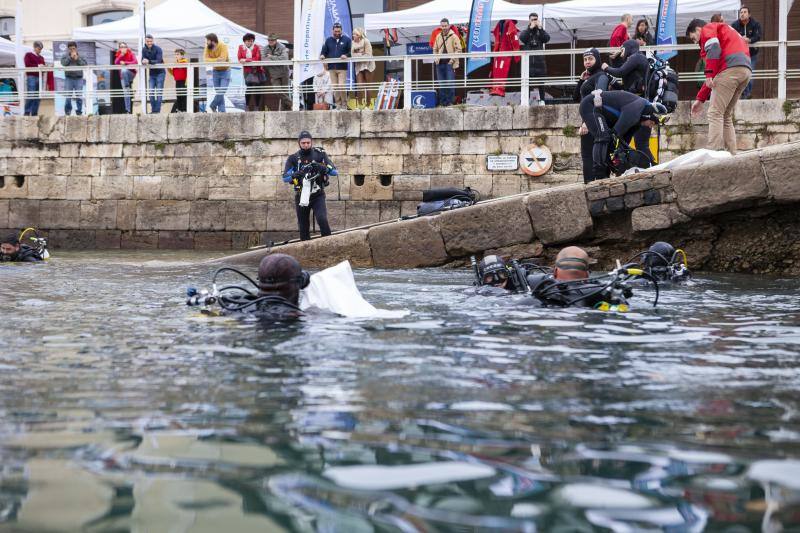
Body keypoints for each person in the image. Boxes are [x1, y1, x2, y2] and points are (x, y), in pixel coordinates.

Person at [687, 18, 752, 154]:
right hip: (745, 70)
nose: (696, 42)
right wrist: (700, 99)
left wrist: (709, 73)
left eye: (694, 38)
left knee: (715, 113)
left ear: (698, 29)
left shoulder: (707, 29)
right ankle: (732, 154)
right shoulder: (725, 30)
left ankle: (713, 152)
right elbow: (713, 77)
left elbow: (714, 49)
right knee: (726, 114)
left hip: (729, 69)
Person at [579, 90, 665, 180]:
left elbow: (622, 142)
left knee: (610, 143)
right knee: (603, 137)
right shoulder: (636, 110)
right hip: (590, 106)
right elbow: (615, 133)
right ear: (648, 116)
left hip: (602, 113)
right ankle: (600, 174)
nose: (651, 126)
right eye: (652, 123)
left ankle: (604, 175)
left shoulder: (637, 121)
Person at [601, 39, 654, 163]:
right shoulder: (635, 61)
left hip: (640, 106)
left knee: (641, 143)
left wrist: (605, 67)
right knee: (630, 142)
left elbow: (620, 72)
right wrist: (614, 62)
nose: (621, 52)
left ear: (628, 48)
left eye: (622, 49)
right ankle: (631, 167)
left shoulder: (636, 57)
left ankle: (652, 167)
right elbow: (625, 89)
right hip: (636, 106)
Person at [283, 131, 337, 241]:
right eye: (303, 143)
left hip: (318, 195)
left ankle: (328, 243)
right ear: (299, 143)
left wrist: (323, 168)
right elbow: (285, 178)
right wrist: (294, 175)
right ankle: (305, 247)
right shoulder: (293, 158)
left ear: (311, 142)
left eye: (308, 142)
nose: (306, 145)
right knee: (303, 226)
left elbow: (335, 172)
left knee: (322, 219)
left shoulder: (320, 154)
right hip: (301, 196)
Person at [573, 48, 611, 183]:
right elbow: (576, 97)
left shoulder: (601, 76)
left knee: (593, 155)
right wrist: (580, 80)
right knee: (588, 155)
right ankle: (590, 185)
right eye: (585, 59)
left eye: (590, 59)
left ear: (597, 60)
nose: (587, 62)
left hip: (594, 122)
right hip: (589, 120)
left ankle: (598, 184)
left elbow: (599, 98)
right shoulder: (588, 78)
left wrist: (587, 122)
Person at [519, 12, 550, 104]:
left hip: (539, 62)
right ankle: (525, 101)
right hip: (528, 63)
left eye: (535, 19)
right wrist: (530, 28)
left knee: (541, 83)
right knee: (526, 83)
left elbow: (547, 39)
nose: (534, 21)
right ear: (529, 20)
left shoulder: (540, 31)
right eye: (532, 20)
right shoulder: (526, 31)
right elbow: (522, 38)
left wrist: (540, 28)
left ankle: (542, 100)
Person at [731, 6, 762, 99]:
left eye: (744, 12)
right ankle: (743, 93)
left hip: (752, 54)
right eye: (741, 12)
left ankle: (747, 94)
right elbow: (732, 37)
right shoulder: (735, 25)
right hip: (740, 54)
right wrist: (740, 39)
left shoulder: (755, 24)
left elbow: (758, 36)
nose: (742, 14)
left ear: (749, 14)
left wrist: (749, 40)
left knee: (750, 74)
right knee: (741, 74)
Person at [320, 23, 352, 110]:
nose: (337, 33)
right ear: (332, 31)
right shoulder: (328, 40)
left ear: (341, 31)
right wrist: (322, 55)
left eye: (338, 31)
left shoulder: (347, 40)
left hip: (342, 68)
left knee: (341, 86)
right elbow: (324, 51)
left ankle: (344, 104)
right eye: (335, 31)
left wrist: (346, 55)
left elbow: (350, 52)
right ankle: (338, 105)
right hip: (331, 68)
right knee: (335, 87)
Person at [432, 18, 462, 107]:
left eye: (445, 26)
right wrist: (436, 59)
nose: (444, 27)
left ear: (449, 26)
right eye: (442, 26)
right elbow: (434, 49)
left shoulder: (454, 36)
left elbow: (459, 49)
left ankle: (450, 103)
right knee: (442, 85)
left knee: (450, 84)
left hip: (450, 64)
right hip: (440, 63)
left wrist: (451, 61)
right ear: (440, 26)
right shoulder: (438, 36)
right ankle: (443, 103)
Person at [204, 33, 230, 113]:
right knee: (219, 92)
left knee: (221, 91)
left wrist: (213, 60)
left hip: (225, 71)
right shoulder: (207, 48)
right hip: (215, 71)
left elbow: (223, 59)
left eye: (208, 41)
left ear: (212, 41)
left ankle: (213, 105)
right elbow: (205, 59)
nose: (206, 42)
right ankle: (222, 112)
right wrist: (216, 60)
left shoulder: (223, 46)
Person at [264, 34, 292, 111]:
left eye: (272, 40)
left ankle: (285, 111)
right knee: (277, 90)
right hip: (274, 73)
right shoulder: (265, 48)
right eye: (269, 40)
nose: (270, 41)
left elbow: (284, 58)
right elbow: (264, 60)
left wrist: (271, 57)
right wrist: (277, 59)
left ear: (276, 40)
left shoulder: (282, 47)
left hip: (284, 72)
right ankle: (292, 104)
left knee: (285, 92)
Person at [238, 33, 264, 111]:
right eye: (247, 41)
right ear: (244, 41)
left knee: (257, 88)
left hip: (257, 70)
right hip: (247, 71)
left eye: (251, 41)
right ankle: (247, 106)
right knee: (249, 87)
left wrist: (246, 60)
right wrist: (246, 60)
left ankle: (256, 106)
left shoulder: (256, 47)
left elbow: (257, 58)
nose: (249, 42)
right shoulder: (241, 47)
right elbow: (239, 58)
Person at [60, 41, 87, 116]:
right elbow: (63, 63)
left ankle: (79, 111)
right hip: (69, 78)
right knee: (68, 97)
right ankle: (67, 111)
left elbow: (85, 64)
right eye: (70, 49)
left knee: (79, 96)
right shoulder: (65, 55)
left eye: (73, 48)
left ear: (76, 48)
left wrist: (77, 58)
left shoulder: (80, 55)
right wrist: (70, 57)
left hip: (79, 78)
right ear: (68, 49)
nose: (72, 50)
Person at [351, 28, 375, 107]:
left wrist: (357, 53)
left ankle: (368, 105)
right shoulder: (352, 43)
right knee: (359, 85)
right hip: (358, 66)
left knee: (368, 86)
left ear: (359, 35)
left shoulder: (366, 41)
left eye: (355, 34)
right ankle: (360, 105)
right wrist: (361, 53)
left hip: (368, 65)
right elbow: (352, 55)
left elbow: (368, 55)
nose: (353, 36)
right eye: (353, 34)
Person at [141, 34, 165, 113]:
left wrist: (149, 61)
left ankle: (157, 111)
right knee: (150, 93)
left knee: (159, 92)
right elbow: (143, 59)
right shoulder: (144, 49)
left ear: (153, 41)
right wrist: (143, 61)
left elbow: (158, 60)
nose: (149, 43)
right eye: (148, 41)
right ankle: (154, 110)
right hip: (152, 74)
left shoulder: (158, 49)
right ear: (145, 41)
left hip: (160, 73)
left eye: (150, 41)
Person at [114, 42, 138, 114]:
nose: (123, 48)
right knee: (126, 93)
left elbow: (135, 62)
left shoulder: (131, 53)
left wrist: (125, 63)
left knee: (124, 70)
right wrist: (121, 55)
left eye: (124, 47)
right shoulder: (118, 55)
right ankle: (128, 110)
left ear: (127, 47)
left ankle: (127, 84)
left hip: (131, 74)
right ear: (119, 48)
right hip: (123, 78)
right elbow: (116, 62)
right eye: (121, 47)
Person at [23, 41, 46, 116]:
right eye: (39, 48)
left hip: (39, 77)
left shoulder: (41, 57)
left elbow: (43, 66)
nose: (40, 50)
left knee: (38, 96)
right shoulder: (28, 55)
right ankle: (27, 112)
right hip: (32, 76)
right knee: (31, 94)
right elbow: (27, 64)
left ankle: (34, 113)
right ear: (35, 47)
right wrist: (38, 66)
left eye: (40, 49)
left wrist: (43, 67)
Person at [169, 48, 189, 113]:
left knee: (183, 96)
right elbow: (173, 73)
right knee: (179, 95)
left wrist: (175, 65)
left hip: (184, 81)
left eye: (177, 54)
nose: (176, 56)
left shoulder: (185, 62)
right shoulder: (176, 63)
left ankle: (184, 109)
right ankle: (180, 109)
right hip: (177, 81)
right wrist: (169, 69)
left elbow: (185, 68)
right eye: (175, 54)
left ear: (182, 55)